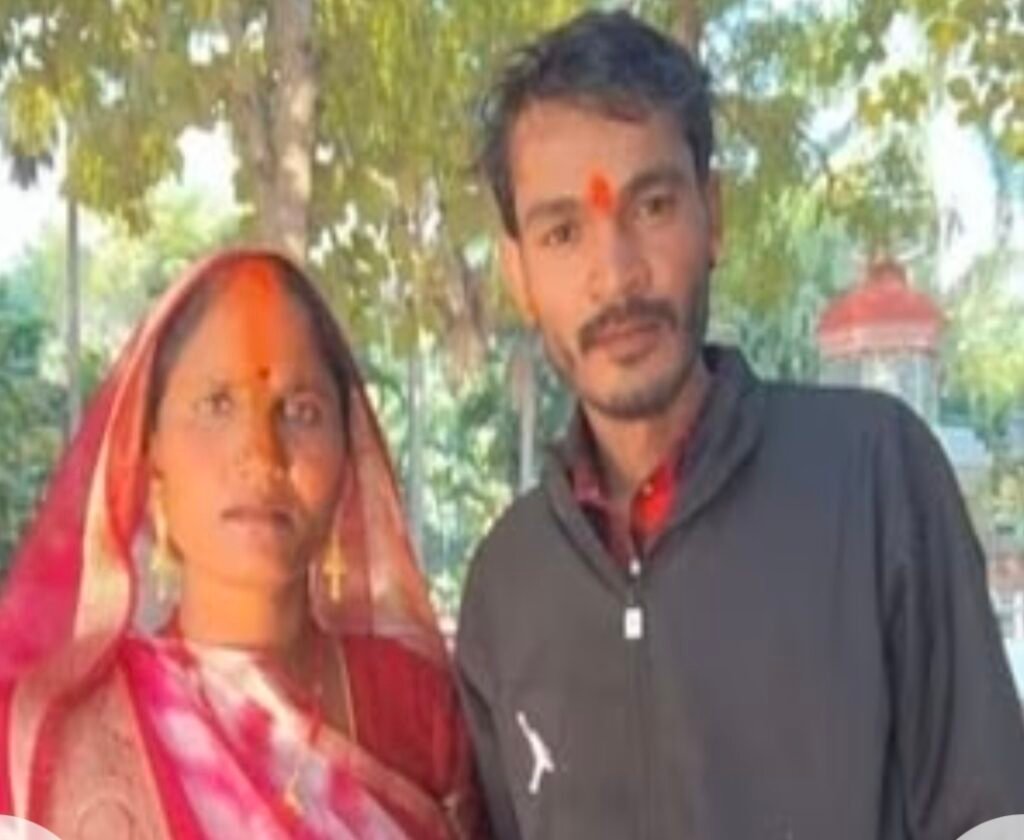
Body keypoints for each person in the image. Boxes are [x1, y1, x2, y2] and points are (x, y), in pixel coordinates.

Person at [455, 10, 1024, 840]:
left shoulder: (874, 479)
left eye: (652, 205)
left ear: (712, 216)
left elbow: (993, 818)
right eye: (563, 231)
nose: (616, 275)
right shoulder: (507, 587)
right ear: (519, 275)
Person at [0, 248, 487, 839]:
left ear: (347, 456)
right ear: (148, 452)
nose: (261, 453)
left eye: (301, 412)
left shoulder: (420, 713)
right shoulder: (51, 741)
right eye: (217, 405)